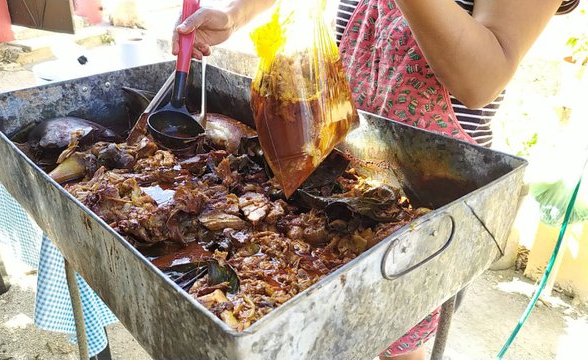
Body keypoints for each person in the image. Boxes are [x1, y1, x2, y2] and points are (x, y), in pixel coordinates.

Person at [172, 0, 580, 359]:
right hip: (339, 152)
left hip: (426, 190)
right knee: (316, 319)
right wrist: (234, 14)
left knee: (395, 333)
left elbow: (481, 80)